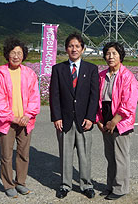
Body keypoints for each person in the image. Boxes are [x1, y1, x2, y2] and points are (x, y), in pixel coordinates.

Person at [49, 33, 99, 199]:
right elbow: (54, 96)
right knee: (65, 155)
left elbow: (94, 96)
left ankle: (86, 185)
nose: (74, 49)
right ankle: (65, 185)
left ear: (83, 49)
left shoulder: (91, 69)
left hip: (84, 121)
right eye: (71, 46)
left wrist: (91, 118)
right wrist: (56, 117)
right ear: (66, 49)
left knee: (85, 156)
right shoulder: (58, 69)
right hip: (64, 120)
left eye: (77, 46)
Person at [0, 38, 40, 198]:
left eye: (19, 53)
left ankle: (21, 183)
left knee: (23, 154)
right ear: (7, 54)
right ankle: (8, 184)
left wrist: (27, 115)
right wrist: (13, 118)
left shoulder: (29, 73)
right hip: (7, 122)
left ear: (23, 55)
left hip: (26, 121)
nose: (16, 56)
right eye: (13, 53)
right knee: (6, 155)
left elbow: (34, 97)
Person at [96, 42, 138, 200]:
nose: (110, 57)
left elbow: (129, 104)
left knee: (120, 157)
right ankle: (110, 185)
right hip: (105, 119)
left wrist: (114, 121)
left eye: (114, 53)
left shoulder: (128, 77)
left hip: (121, 121)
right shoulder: (101, 76)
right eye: (108, 53)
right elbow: (96, 100)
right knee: (109, 156)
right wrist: (99, 121)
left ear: (121, 56)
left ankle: (120, 188)